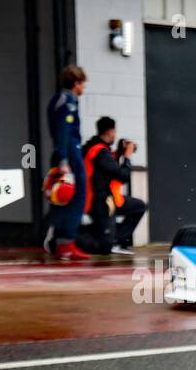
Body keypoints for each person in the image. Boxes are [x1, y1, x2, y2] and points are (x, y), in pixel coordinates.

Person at [77, 117, 147, 255]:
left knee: (139, 206)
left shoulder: (95, 148)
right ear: (110, 132)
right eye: (114, 132)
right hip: (100, 202)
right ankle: (70, 234)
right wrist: (126, 157)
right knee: (103, 246)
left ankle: (116, 239)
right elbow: (122, 175)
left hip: (109, 199)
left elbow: (107, 167)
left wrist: (119, 153)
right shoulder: (99, 152)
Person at [45, 65, 91, 260]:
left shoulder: (57, 100)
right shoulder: (68, 102)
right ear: (76, 83)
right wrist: (64, 161)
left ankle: (60, 240)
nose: (84, 88)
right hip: (70, 154)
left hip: (65, 153)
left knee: (62, 198)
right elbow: (63, 132)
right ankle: (66, 242)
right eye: (83, 84)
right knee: (77, 196)